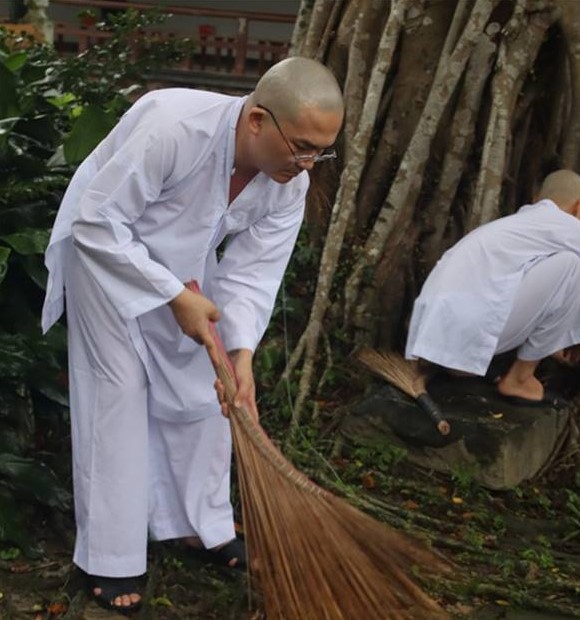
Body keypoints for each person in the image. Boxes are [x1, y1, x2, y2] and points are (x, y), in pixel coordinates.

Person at [41, 57, 344, 612]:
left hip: (186, 269)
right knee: (119, 394)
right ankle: (109, 558)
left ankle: (198, 524)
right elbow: (96, 221)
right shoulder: (173, 126)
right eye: (301, 145)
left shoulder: (288, 184)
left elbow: (255, 272)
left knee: (207, 391)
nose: (307, 163)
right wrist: (172, 296)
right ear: (256, 120)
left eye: (321, 151)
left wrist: (241, 353)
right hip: (105, 258)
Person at [406, 169, 580, 406]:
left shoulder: (517, 226)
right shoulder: (567, 226)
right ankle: (520, 378)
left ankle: (467, 369)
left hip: (441, 341)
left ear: (537, 198)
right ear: (578, 207)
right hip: (468, 335)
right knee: (572, 265)